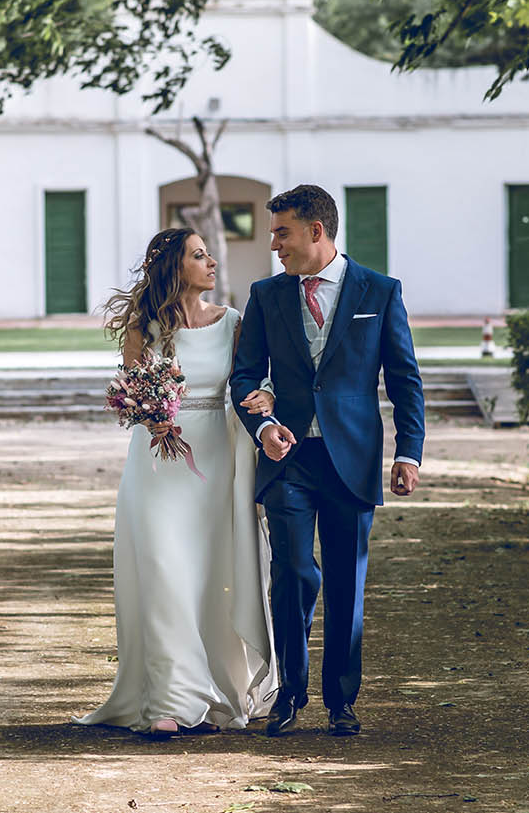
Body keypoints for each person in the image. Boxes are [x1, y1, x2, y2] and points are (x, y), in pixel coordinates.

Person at [229, 184, 425, 738]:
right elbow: (244, 375)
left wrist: (408, 451)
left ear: (316, 231)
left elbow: (404, 379)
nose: (273, 244)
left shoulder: (380, 291)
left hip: (352, 459)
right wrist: (263, 426)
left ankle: (342, 700)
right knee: (291, 572)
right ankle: (290, 692)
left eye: (281, 232)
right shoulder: (266, 296)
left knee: (346, 582)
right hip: (287, 458)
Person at [76, 228, 279, 739]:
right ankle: (169, 703)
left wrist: (265, 400)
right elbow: (132, 391)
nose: (210, 262)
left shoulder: (232, 322)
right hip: (158, 467)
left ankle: (213, 693)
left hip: (218, 464)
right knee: (166, 573)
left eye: (209, 254)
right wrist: (151, 416)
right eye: (198, 255)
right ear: (174, 267)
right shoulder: (144, 330)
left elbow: (252, 380)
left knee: (212, 578)